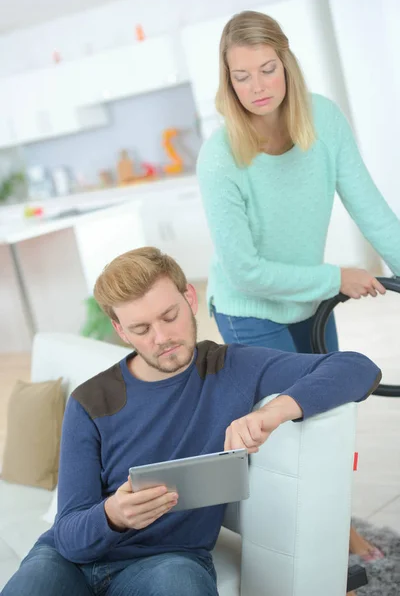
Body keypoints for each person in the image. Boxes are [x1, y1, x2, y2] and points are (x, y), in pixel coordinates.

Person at [3, 247, 382, 596]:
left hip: (166, 562)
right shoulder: (90, 401)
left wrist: (274, 410)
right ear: (121, 331)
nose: (163, 337)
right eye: (141, 329)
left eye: (170, 316)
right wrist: (113, 515)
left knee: (180, 582)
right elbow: (69, 537)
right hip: (70, 562)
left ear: (190, 299)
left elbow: (357, 367)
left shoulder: (231, 367)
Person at [196, 10, 400, 562]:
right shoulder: (220, 158)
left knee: (333, 417)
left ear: (286, 63)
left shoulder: (324, 122)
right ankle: (305, 547)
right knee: (287, 430)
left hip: (309, 306)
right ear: (227, 80)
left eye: (267, 69)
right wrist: (338, 276)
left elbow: (373, 210)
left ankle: (341, 524)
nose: (258, 87)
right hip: (250, 311)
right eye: (242, 76)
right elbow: (245, 271)